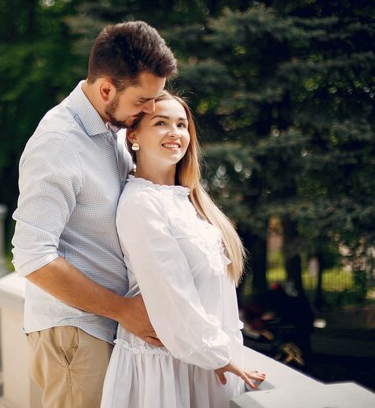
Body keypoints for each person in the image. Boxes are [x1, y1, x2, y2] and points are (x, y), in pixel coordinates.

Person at [11, 21, 177, 408]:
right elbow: (32, 257)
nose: (150, 110)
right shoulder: (58, 143)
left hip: (104, 329)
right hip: (75, 331)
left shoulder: (110, 133)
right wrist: (124, 310)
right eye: (142, 101)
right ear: (106, 89)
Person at [100, 91, 265, 408]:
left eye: (182, 124)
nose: (175, 133)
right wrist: (217, 356)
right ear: (134, 136)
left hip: (207, 364)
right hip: (165, 370)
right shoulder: (140, 203)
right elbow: (172, 289)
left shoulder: (189, 202)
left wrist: (220, 355)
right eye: (161, 123)